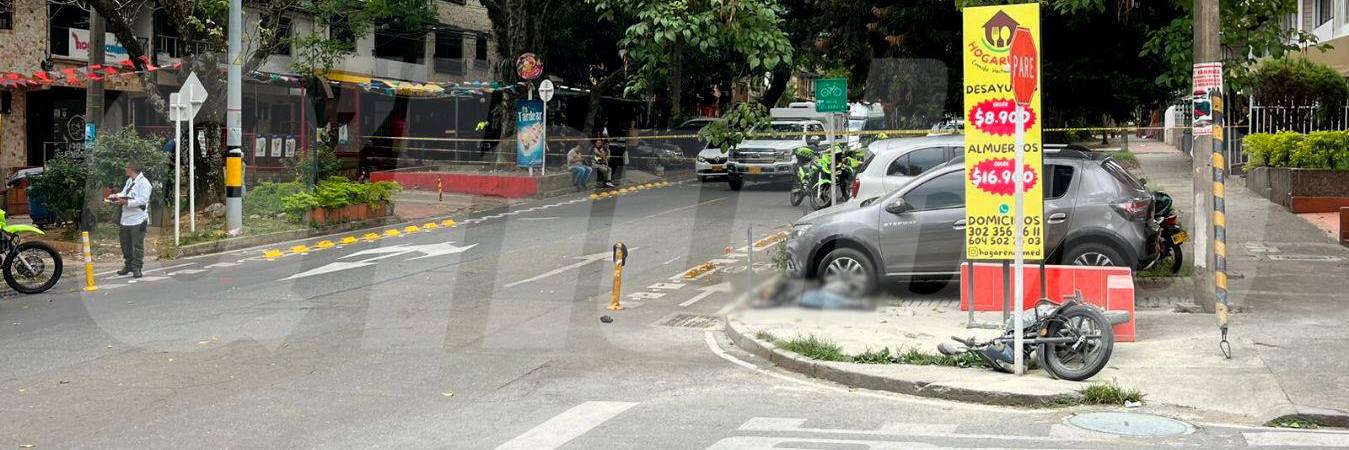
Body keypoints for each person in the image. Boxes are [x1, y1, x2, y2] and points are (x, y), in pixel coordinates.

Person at [109, 160, 151, 278]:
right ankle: (128, 265)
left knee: (137, 245)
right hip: (126, 218)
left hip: (138, 218)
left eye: (126, 167)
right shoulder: (129, 181)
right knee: (125, 244)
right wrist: (116, 196)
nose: (125, 169)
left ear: (132, 169)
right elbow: (124, 192)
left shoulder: (144, 183)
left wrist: (126, 202)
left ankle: (137, 267)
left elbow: (143, 200)